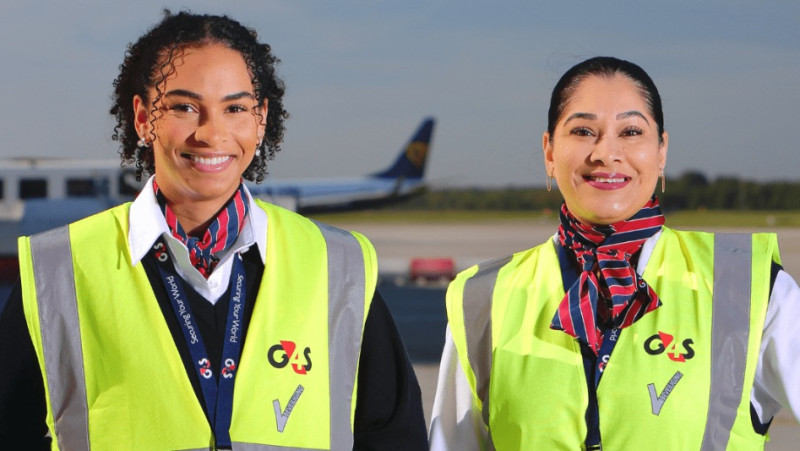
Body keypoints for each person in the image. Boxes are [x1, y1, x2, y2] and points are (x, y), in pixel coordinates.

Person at [0, 11, 428, 450]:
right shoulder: (56, 269)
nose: (212, 132)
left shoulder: (339, 265)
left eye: (235, 108)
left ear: (261, 120)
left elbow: (394, 436)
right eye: (185, 107)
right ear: (144, 118)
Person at [429, 56, 799, 450]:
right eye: (584, 130)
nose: (606, 153)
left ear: (661, 153)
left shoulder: (748, 286)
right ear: (550, 153)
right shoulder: (483, 298)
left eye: (631, 131)